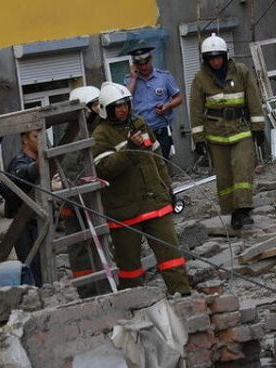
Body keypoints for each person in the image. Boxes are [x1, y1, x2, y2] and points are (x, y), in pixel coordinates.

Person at [91, 82, 191, 295]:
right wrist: (129, 149)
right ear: (106, 109)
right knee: (129, 266)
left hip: (155, 203)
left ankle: (182, 293)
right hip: (124, 211)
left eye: (125, 104)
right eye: (117, 106)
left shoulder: (140, 124)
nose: (123, 110)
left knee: (171, 254)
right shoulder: (100, 135)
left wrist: (168, 188)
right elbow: (105, 170)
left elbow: (158, 160)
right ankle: (134, 303)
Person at [189, 33, 265, 230]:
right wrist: (198, 139)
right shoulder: (200, 78)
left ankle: (243, 209)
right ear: (206, 59)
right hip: (216, 135)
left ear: (225, 55)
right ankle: (232, 212)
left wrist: (258, 128)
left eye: (218, 56)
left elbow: (253, 100)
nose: (215, 61)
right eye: (211, 58)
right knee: (224, 177)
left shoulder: (240, 71)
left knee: (243, 170)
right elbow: (196, 109)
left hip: (240, 130)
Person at [59, 86, 108, 297]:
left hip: (93, 198)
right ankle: (89, 291)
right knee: (80, 249)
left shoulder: (99, 127)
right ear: (85, 109)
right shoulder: (76, 133)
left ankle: (106, 284)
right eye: (95, 104)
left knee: (104, 241)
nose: (99, 108)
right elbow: (70, 169)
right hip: (78, 200)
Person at [124, 45, 183, 159]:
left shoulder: (164, 76)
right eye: (140, 64)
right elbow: (125, 100)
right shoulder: (129, 80)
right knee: (146, 164)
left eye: (146, 63)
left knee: (163, 162)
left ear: (151, 59)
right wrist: (134, 79)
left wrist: (167, 105)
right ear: (135, 65)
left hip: (161, 129)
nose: (144, 67)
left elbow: (179, 98)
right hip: (140, 132)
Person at [5, 129, 42, 286]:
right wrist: (41, 164)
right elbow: (24, 173)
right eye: (35, 136)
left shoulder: (37, 160)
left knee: (43, 265)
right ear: (25, 140)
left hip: (38, 220)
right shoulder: (19, 162)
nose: (40, 139)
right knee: (31, 267)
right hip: (24, 225)